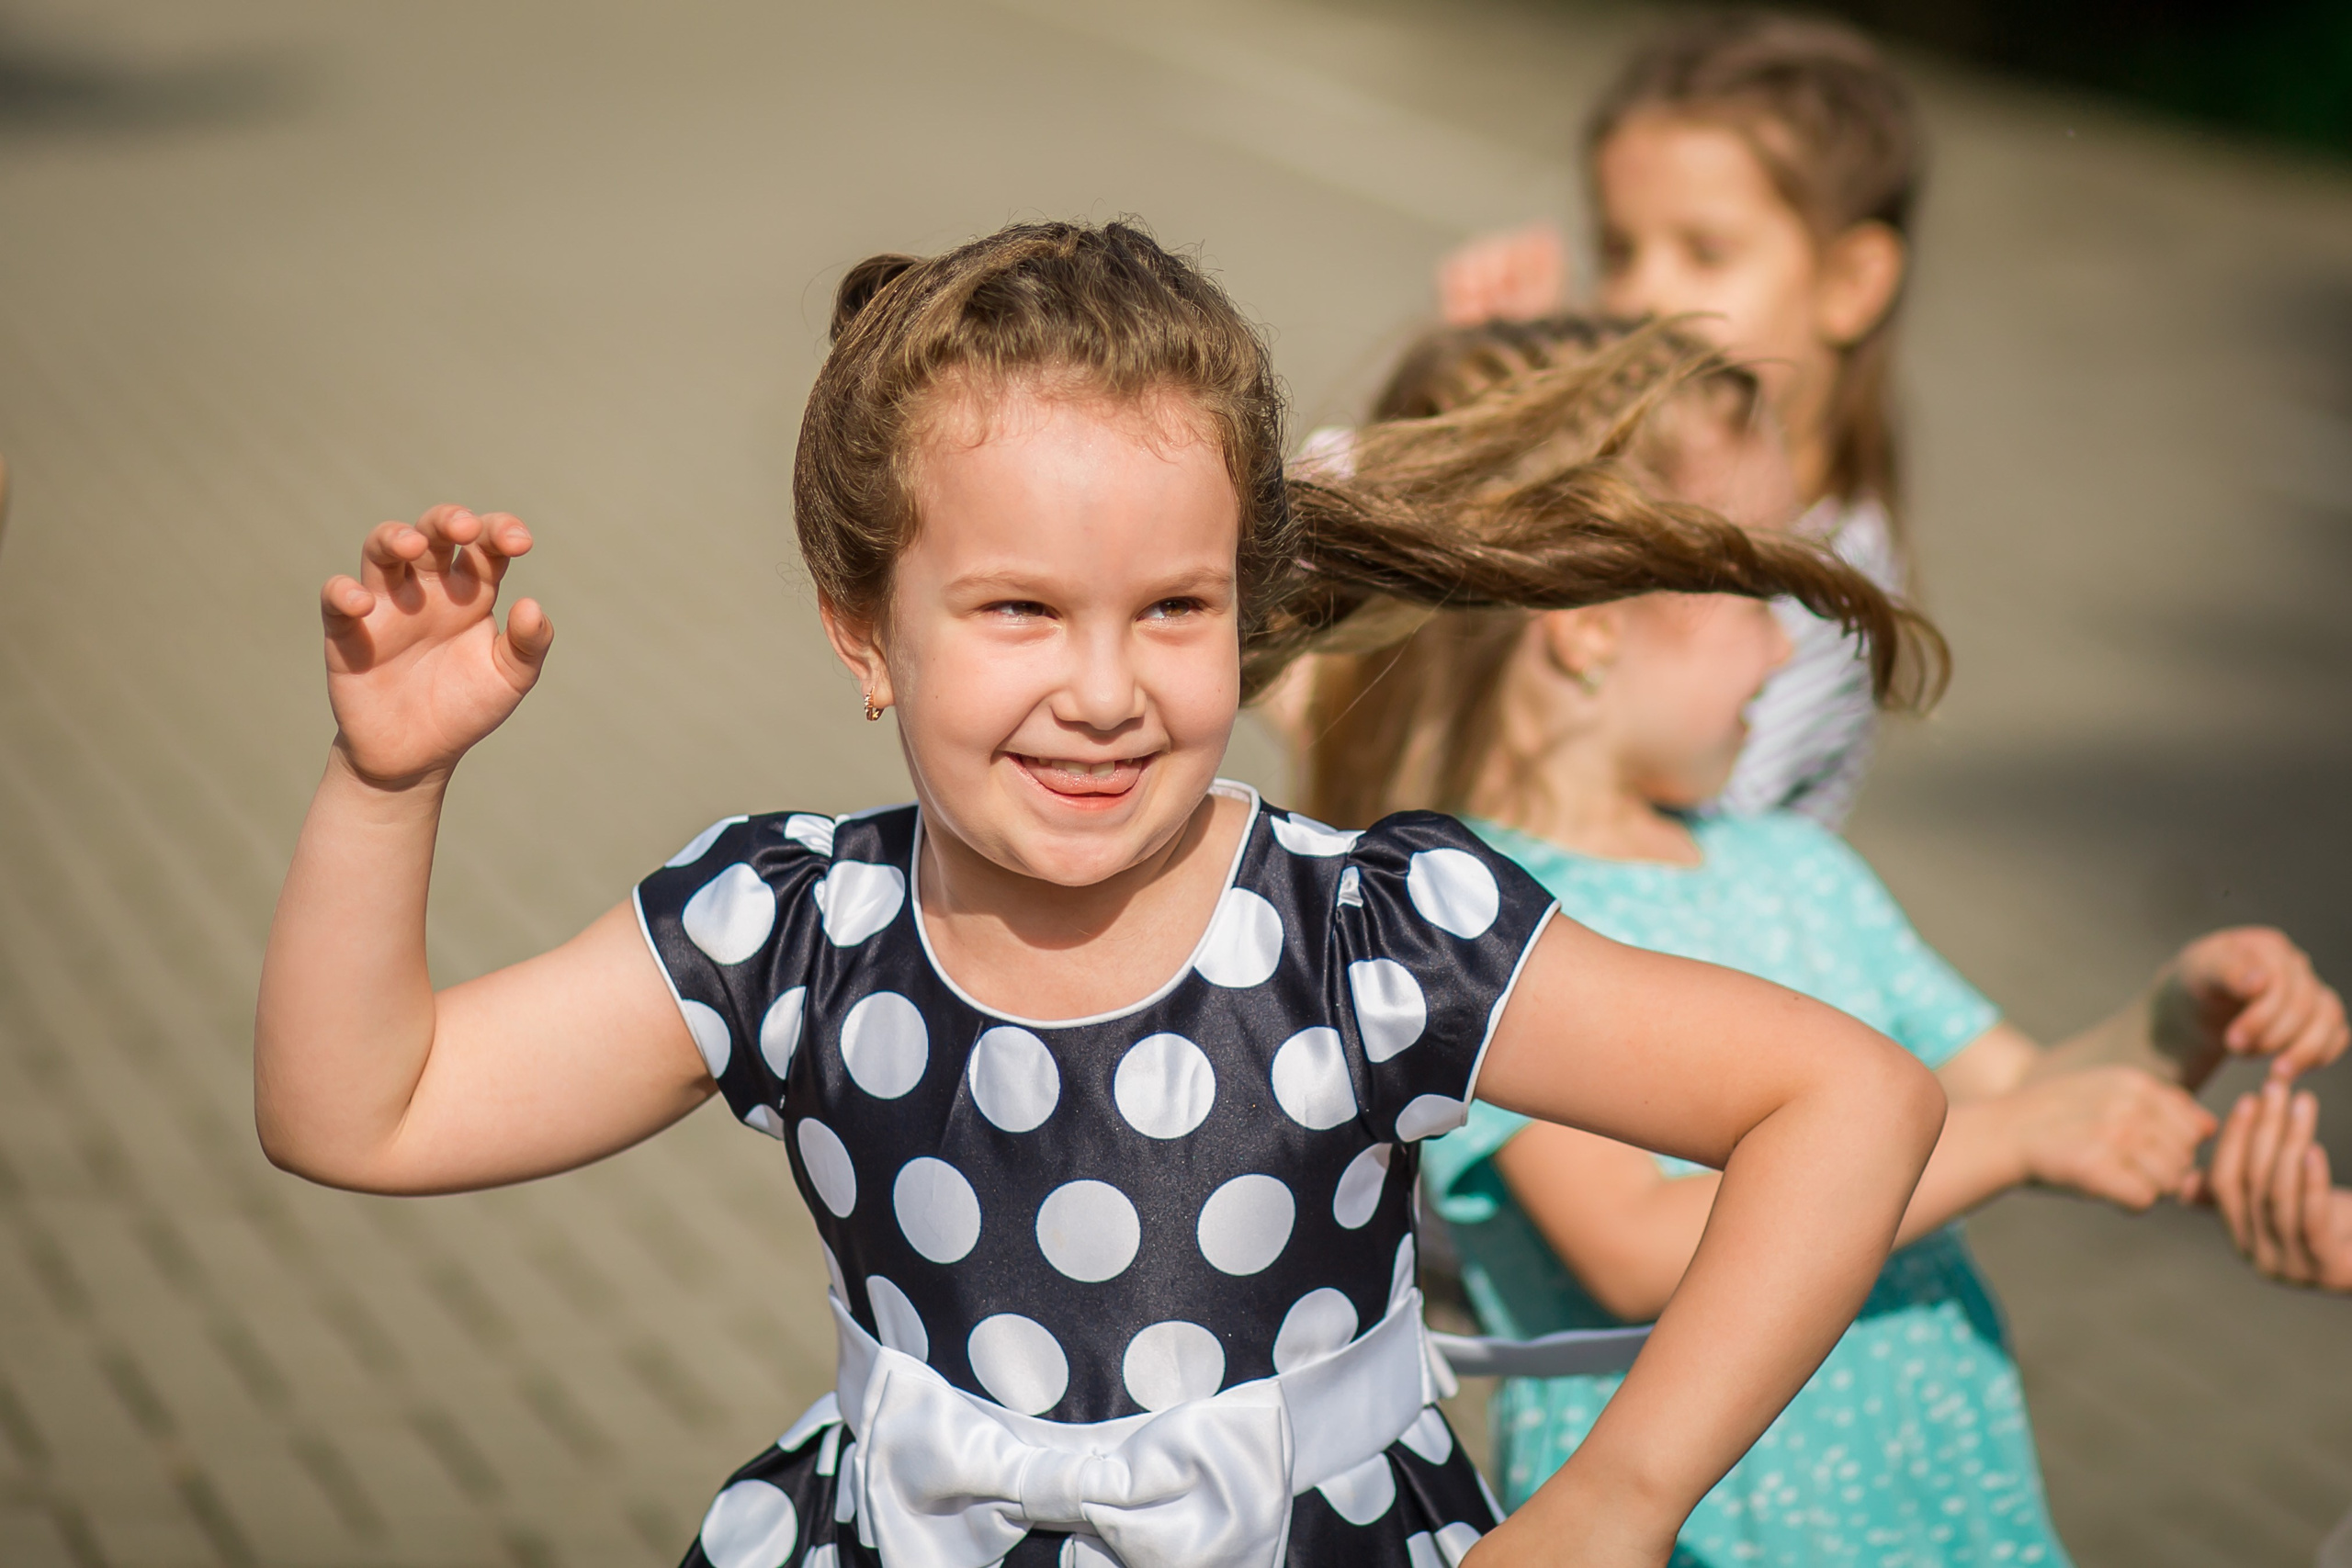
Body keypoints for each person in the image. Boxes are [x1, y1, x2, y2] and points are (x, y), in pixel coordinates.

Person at [254, 220, 1953, 1568]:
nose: (1102, 687)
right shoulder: (788, 932)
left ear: (1245, 600)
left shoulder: (1366, 937)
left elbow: (1849, 1097)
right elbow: (361, 1114)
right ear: (862, 629)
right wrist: (387, 784)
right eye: (1015, 611)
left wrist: (1622, 1498)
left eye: (1170, 608)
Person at [1300, 315, 2348, 1568]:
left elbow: (2027, 1091)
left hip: (1945, 1497)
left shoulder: (1795, 866)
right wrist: (2016, 1142)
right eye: (1745, 586)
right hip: (1720, 1525)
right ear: (1585, 629)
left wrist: (2176, 1021)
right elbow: (1633, 1248)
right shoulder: (1488, 918)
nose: (1785, 636)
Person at [1436, 12, 1921, 827]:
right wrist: (1500, 411)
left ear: (1852, 283)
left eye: (1706, 252)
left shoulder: (1834, 587)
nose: (1641, 299)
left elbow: (1686, 820)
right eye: (1620, 252)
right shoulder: (1638, 472)